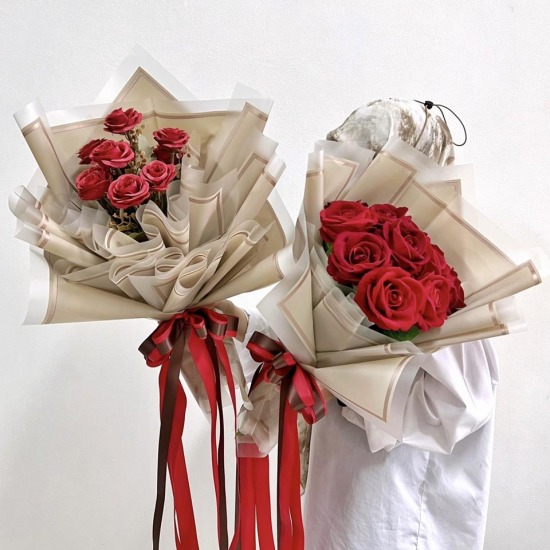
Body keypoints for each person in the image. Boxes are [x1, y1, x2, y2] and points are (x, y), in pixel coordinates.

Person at [238, 99, 500, 550]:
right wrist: (227, 324)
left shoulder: (449, 286)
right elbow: (290, 344)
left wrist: (340, 385)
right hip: (333, 501)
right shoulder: (335, 259)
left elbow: (452, 410)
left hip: (397, 517)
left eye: (367, 163)